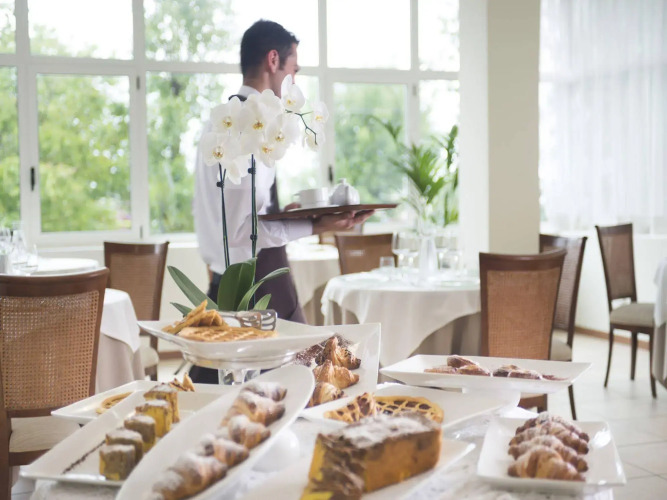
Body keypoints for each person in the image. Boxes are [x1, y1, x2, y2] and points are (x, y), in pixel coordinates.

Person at [191, 20, 371, 382]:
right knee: (299, 386)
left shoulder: (218, 125)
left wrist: (284, 215)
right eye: (294, 70)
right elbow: (243, 232)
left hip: (231, 281)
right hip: (257, 289)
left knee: (247, 392)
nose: (295, 81)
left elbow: (233, 217)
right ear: (273, 60)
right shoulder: (249, 129)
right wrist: (316, 225)